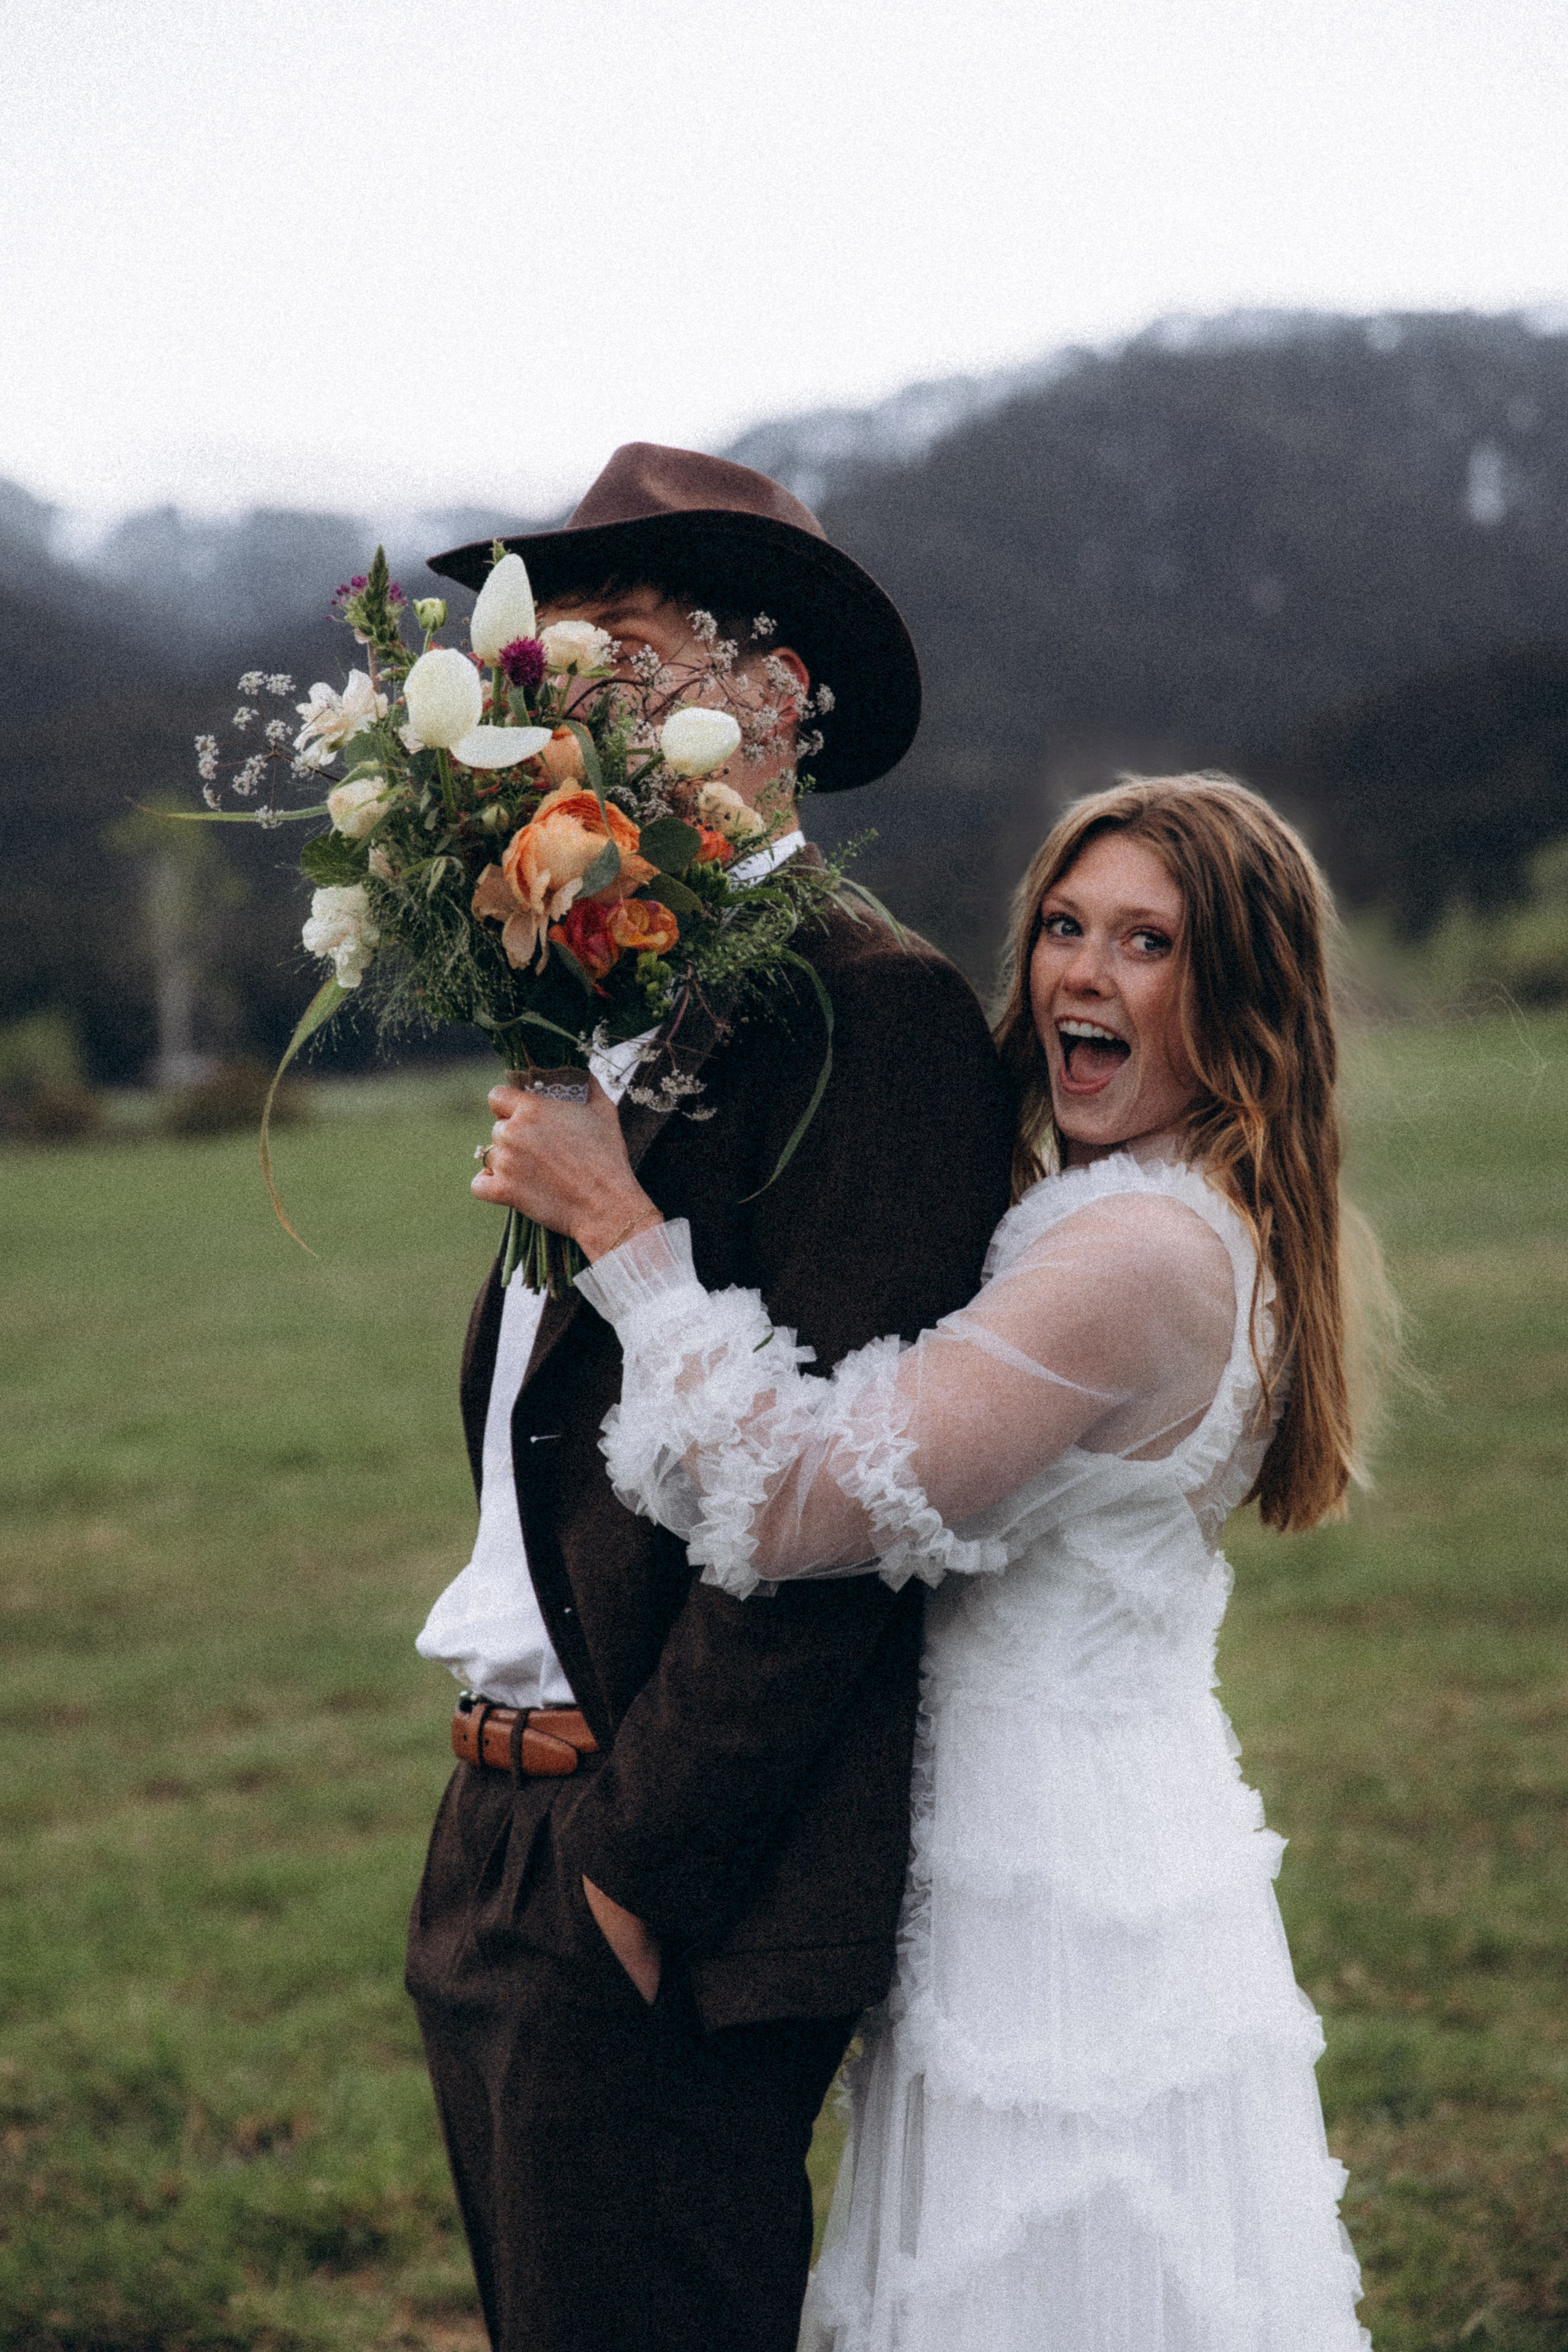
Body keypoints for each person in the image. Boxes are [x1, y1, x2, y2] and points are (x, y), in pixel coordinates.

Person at [480, 772, 1379, 2350]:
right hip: (1058, 1839)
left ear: (1244, 998)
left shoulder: (1137, 1255)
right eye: (1062, 927)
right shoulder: (1123, 1211)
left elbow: (805, 1508)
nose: (1077, 977)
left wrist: (623, 1235)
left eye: (1148, 944)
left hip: (1057, 1902)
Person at [405, 443, 1019, 2352]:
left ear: (777, 696)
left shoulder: (872, 1009)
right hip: (490, 1826)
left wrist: (637, 1877)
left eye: (625, 647)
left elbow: (844, 1508)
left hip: (646, 1860)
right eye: (549, 654)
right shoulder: (608, 992)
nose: (563, 692)